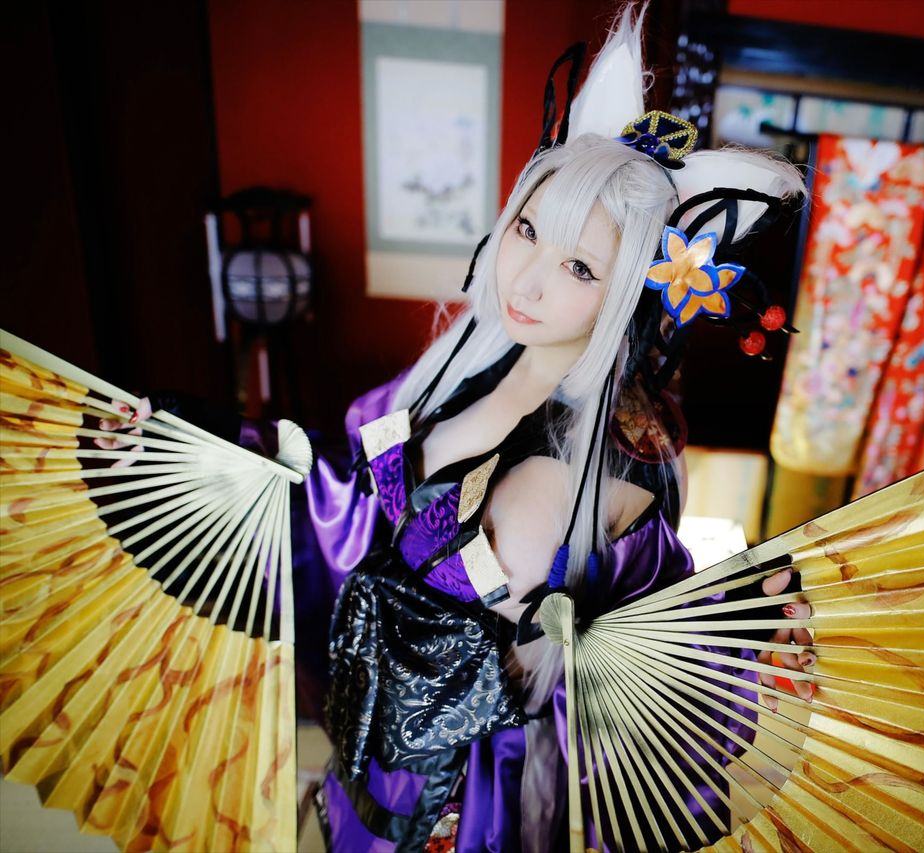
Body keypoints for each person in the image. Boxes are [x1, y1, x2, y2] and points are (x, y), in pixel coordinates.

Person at [97, 6, 811, 851]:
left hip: (484, 797)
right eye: (527, 229)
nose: (529, 281)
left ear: (628, 289)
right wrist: (187, 441)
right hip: (365, 740)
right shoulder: (455, 373)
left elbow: (658, 649)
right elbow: (338, 506)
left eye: (580, 266)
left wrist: (752, 626)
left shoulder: (625, 459)